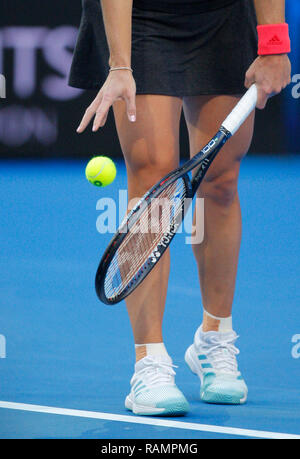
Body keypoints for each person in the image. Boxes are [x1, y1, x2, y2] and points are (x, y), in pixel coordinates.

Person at [69, 0, 291, 416]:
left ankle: (215, 338)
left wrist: (274, 42)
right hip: (142, 18)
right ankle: (149, 361)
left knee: (221, 180)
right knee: (152, 181)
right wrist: (119, 66)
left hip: (222, 13)